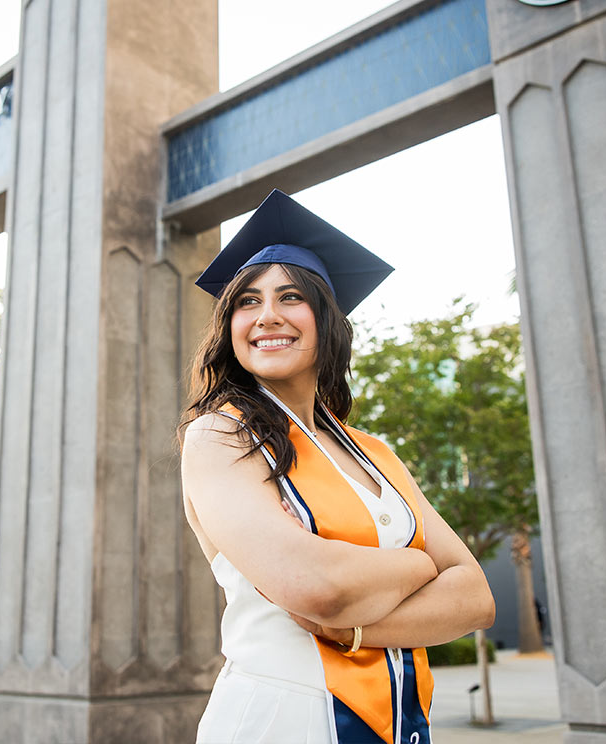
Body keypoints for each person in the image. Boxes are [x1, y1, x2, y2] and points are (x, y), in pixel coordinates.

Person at [179, 189, 495, 744]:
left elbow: (475, 598)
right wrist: (420, 565)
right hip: (282, 717)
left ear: (327, 318)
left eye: (290, 297)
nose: (267, 315)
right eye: (247, 302)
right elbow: (315, 586)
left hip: (401, 723)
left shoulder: (375, 452)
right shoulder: (222, 436)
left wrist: (349, 628)